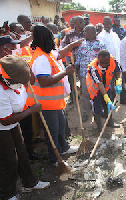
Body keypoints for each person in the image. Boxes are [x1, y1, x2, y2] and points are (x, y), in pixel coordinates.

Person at [26, 25, 81, 165]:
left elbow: (60, 54)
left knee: (61, 125)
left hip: (55, 102)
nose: (54, 40)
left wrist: (72, 45)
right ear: (46, 39)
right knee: (52, 131)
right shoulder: (41, 58)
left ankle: (64, 147)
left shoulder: (47, 53)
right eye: (51, 38)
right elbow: (44, 81)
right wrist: (65, 72)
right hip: (45, 103)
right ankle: (55, 158)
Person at [0, 53, 50, 200]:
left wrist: (28, 71)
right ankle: (6, 194)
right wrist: (31, 110)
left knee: (22, 154)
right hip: (2, 128)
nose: (23, 83)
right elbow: (5, 121)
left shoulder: (17, 77)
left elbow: (31, 81)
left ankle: (30, 182)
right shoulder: (1, 92)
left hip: (14, 123)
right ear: (8, 79)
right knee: (9, 160)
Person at [86, 50, 122, 134]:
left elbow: (118, 72)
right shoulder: (92, 67)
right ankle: (99, 128)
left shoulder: (114, 61)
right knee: (97, 108)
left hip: (106, 86)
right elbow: (99, 84)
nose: (104, 65)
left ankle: (110, 122)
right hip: (95, 89)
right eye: (101, 62)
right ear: (97, 59)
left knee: (107, 106)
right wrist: (106, 98)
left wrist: (118, 82)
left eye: (106, 63)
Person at [76, 25, 107, 122]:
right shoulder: (81, 44)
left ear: (92, 33)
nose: (83, 33)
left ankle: (98, 112)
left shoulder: (101, 44)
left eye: (85, 31)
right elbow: (78, 59)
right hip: (84, 74)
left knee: (98, 94)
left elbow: (106, 60)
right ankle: (86, 113)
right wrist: (76, 69)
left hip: (97, 75)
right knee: (85, 94)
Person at [98, 16, 126, 107]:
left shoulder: (114, 34)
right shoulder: (101, 36)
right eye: (106, 23)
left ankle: (123, 99)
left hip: (118, 63)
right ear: (103, 24)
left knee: (121, 82)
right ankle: (112, 102)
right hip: (108, 65)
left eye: (109, 23)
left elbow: (119, 47)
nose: (108, 25)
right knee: (110, 85)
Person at [61, 16, 85, 105]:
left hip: (84, 63)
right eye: (81, 22)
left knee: (84, 82)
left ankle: (85, 100)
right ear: (76, 24)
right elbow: (63, 46)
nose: (83, 23)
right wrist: (73, 45)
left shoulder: (87, 32)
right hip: (73, 62)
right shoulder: (69, 34)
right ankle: (74, 99)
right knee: (72, 81)